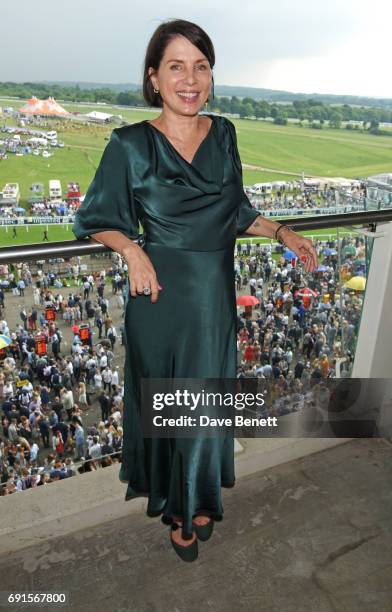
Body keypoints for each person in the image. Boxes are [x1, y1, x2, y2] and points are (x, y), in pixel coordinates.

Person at [72, 18, 318, 562]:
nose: (190, 79)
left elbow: (237, 213)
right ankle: (182, 511)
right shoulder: (130, 145)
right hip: (159, 302)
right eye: (176, 66)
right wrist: (132, 249)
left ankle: (198, 496)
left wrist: (281, 231)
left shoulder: (225, 132)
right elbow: (94, 217)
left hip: (213, 301)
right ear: (154, 78)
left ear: (211, 75)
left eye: (201, 66)